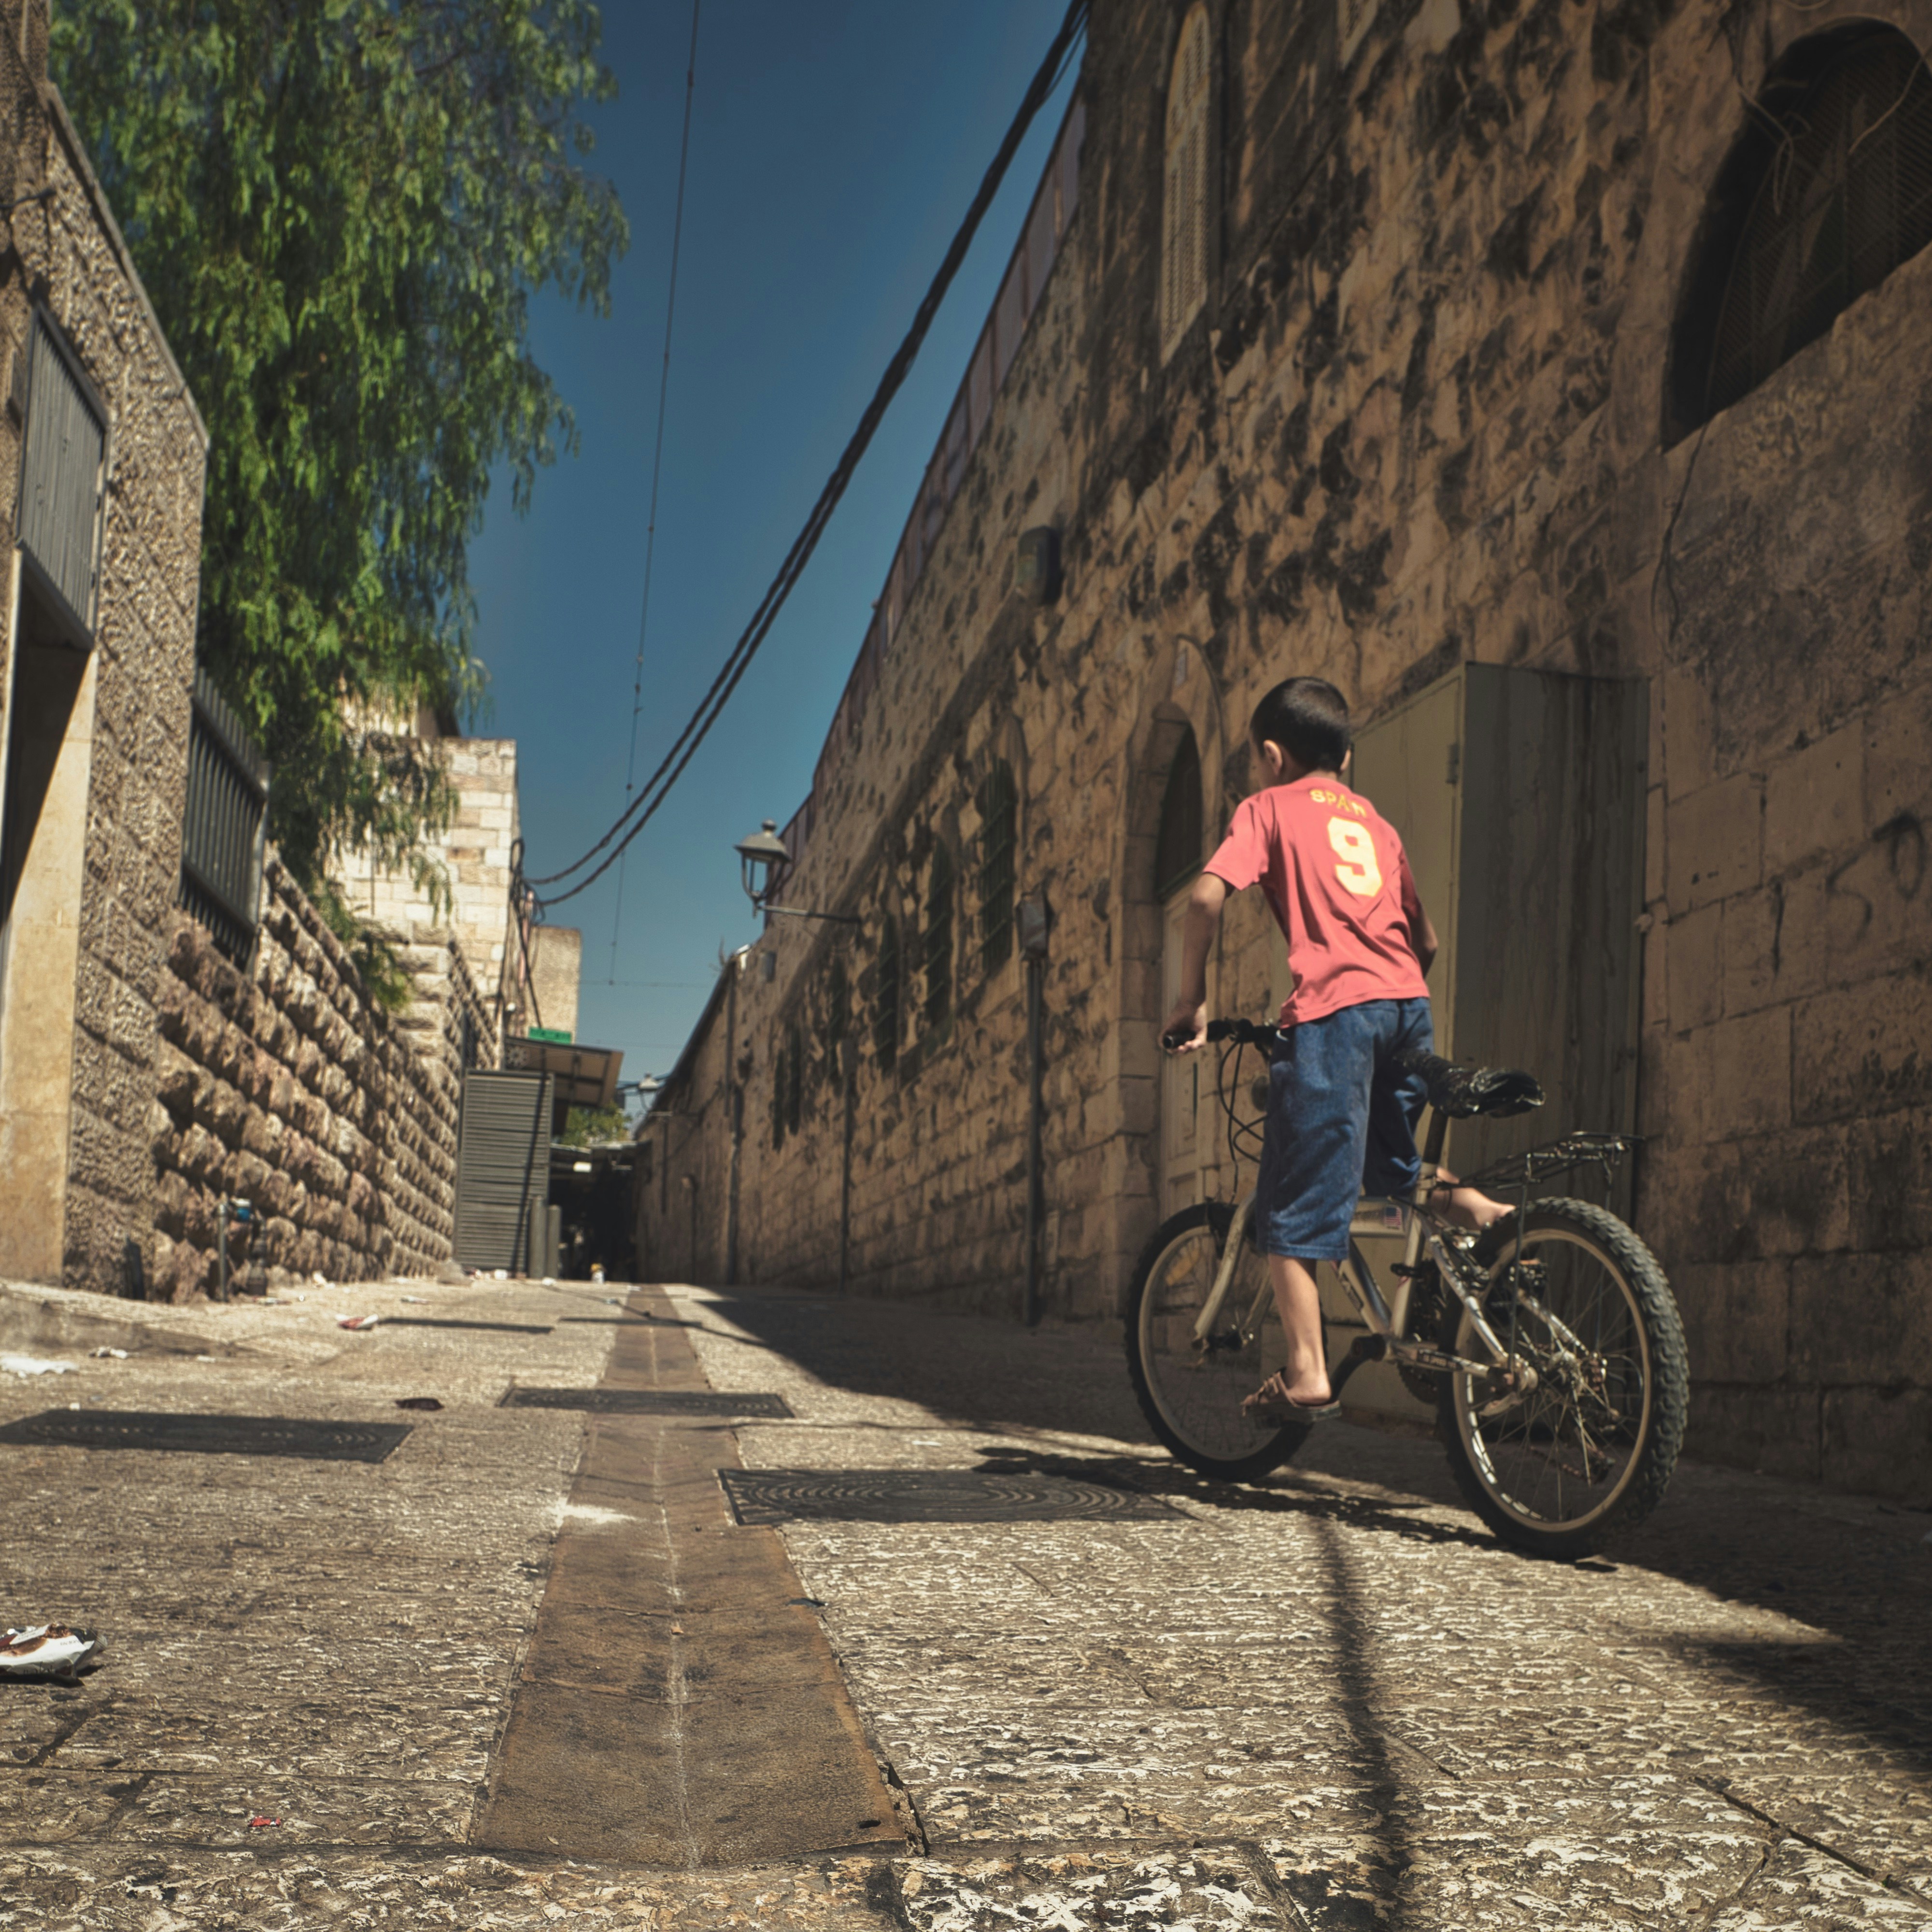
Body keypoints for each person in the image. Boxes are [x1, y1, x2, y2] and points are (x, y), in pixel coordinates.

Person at [1159, 676, 1507, 1417]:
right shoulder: (1376, 823)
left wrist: (1191, 1002)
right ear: (1344, 759)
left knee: (1289, 1203)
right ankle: (1491, 1216)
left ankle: (1308, 1370)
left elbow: (1203, 897)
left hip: (1334, 1017)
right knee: (1394, 1171)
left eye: (1260, 762)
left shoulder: (1268, 807)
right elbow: (1428, 941)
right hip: (1407, 1006)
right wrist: (1390, 998)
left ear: (1273, 756)